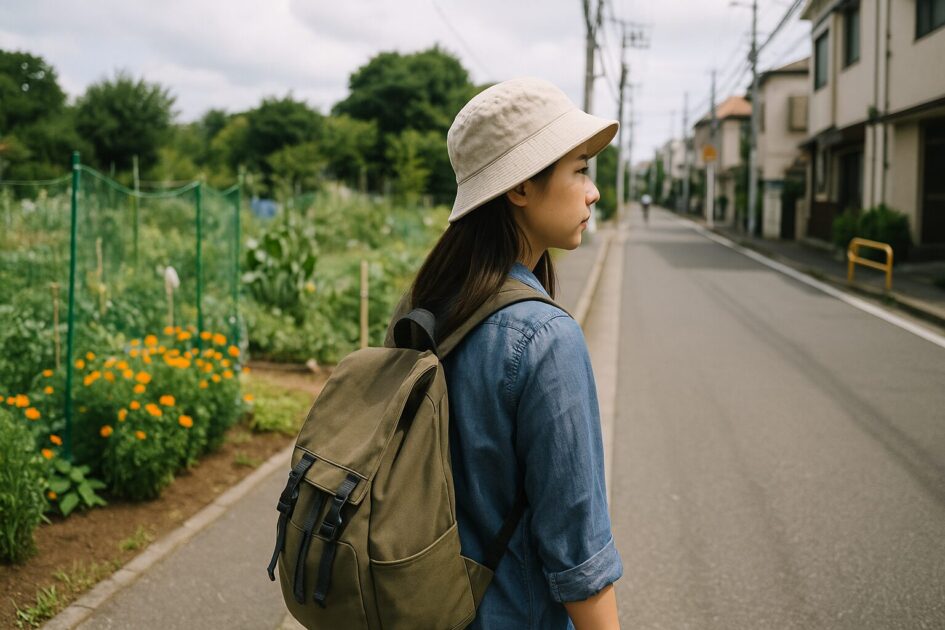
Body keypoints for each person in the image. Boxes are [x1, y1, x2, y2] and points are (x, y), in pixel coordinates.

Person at [402, 77, 623, 629]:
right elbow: (580, 559)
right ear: (521, 188)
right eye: (579, 169)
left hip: (422, 610)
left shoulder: (425, 306)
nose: (592, 191)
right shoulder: (545, 338)